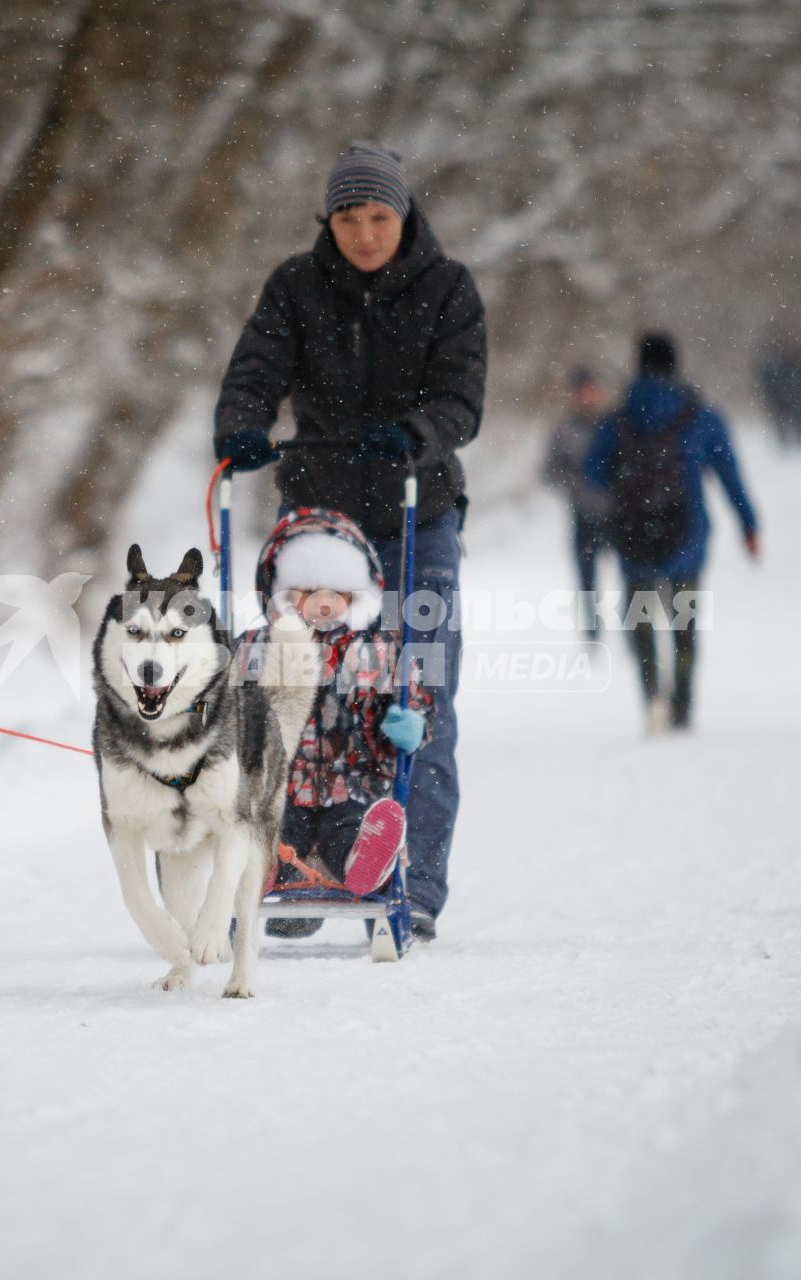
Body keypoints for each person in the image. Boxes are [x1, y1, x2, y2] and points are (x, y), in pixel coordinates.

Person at [214, 141, 486, 941]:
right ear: (326, 221)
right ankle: (298, 862)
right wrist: (242, 426)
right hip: (318, 525)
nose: (364, 234)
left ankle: (417, 880)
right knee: (293, 693)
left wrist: (414, 432)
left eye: (378, 217)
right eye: (347, 218)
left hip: (415, 515)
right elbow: (254, 372)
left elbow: (462, 399)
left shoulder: (448, 288)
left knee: (414, 695)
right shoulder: (296, 287)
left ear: (403, 216)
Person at [238, 509, 431, 938]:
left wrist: (411, 723)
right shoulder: (257, 649)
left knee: (351, 831)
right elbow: (221, 697)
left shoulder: (380, 651)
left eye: (337, 592)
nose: (324, 603)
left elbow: (417, 700)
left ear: (356, 595)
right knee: (273, 832)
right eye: (309, 590)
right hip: (279, 788)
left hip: (354, 785)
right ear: (285, 595)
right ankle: (261, 866)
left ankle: (364, 864)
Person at [584, 332, 759, 733]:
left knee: (641, 623)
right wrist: (749, 526)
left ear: (638, 364)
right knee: (684, 625)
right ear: (675, 364)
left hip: (634, 540)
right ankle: (682, 703)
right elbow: (731, 476)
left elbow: (592, 473)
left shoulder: (619, 419)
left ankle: (652, 699)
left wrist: (624, 483)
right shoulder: (701, 417)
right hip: (688, 536)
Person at [542, 366, 611, 637]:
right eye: (583, 391)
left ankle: (634, 630)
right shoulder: (563, 430)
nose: (587, 396)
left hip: (616, 514)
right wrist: (577, 483)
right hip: (582, 513)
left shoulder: (613, 425)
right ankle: (592, 630)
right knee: (586, 577)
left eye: (592, 390)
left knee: (631, 574)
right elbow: (549, 471)